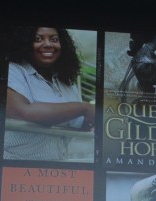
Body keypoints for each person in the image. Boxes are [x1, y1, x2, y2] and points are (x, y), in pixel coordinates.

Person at [5, 27, 95, 160]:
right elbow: (22, 110)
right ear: (25, 43)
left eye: (54, 39)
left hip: (57, 166)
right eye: (38, 39)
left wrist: (90, 121)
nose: (48, 44)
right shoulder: (13, 70)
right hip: (15, 165)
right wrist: (84, 108)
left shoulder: (67, 81)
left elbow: (75, 122)